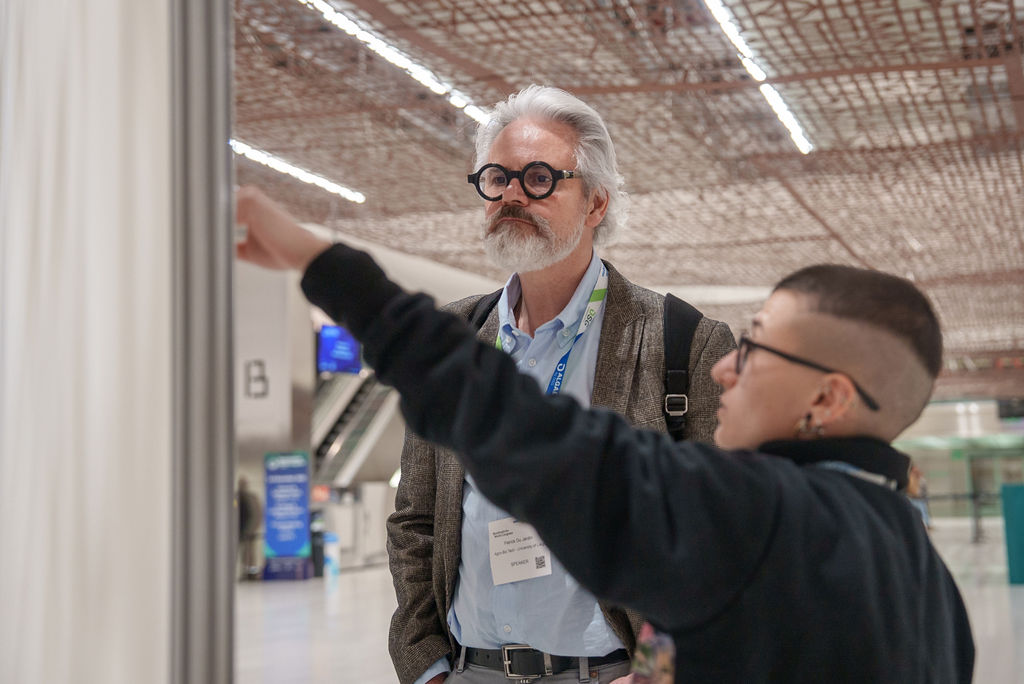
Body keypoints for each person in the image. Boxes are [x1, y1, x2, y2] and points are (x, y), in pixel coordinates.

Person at [235, 187, 975, 682]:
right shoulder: (926, 584)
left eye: (756, 347)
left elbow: (526, 433)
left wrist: (320, 263)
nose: (727, 369)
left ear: (828, 397)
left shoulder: (767, 515)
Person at [385, 86, 735, 684]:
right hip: (472, 671)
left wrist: (662, 670)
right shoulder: (452, 339)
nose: (511, 195)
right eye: (497, 177)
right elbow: (416, 518)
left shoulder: (684, 342)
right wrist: (427, 667)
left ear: (596, 203)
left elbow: (720, 533)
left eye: (540, 178)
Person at [236, 476, 263, 580]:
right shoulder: (240, 496)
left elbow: (255, 514)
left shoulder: (248, 497)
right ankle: (246, 573)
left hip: (247, 530)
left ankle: (250, 573)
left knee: (248, 554)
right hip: (245, 530)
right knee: (246, 554)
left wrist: (250, 529)